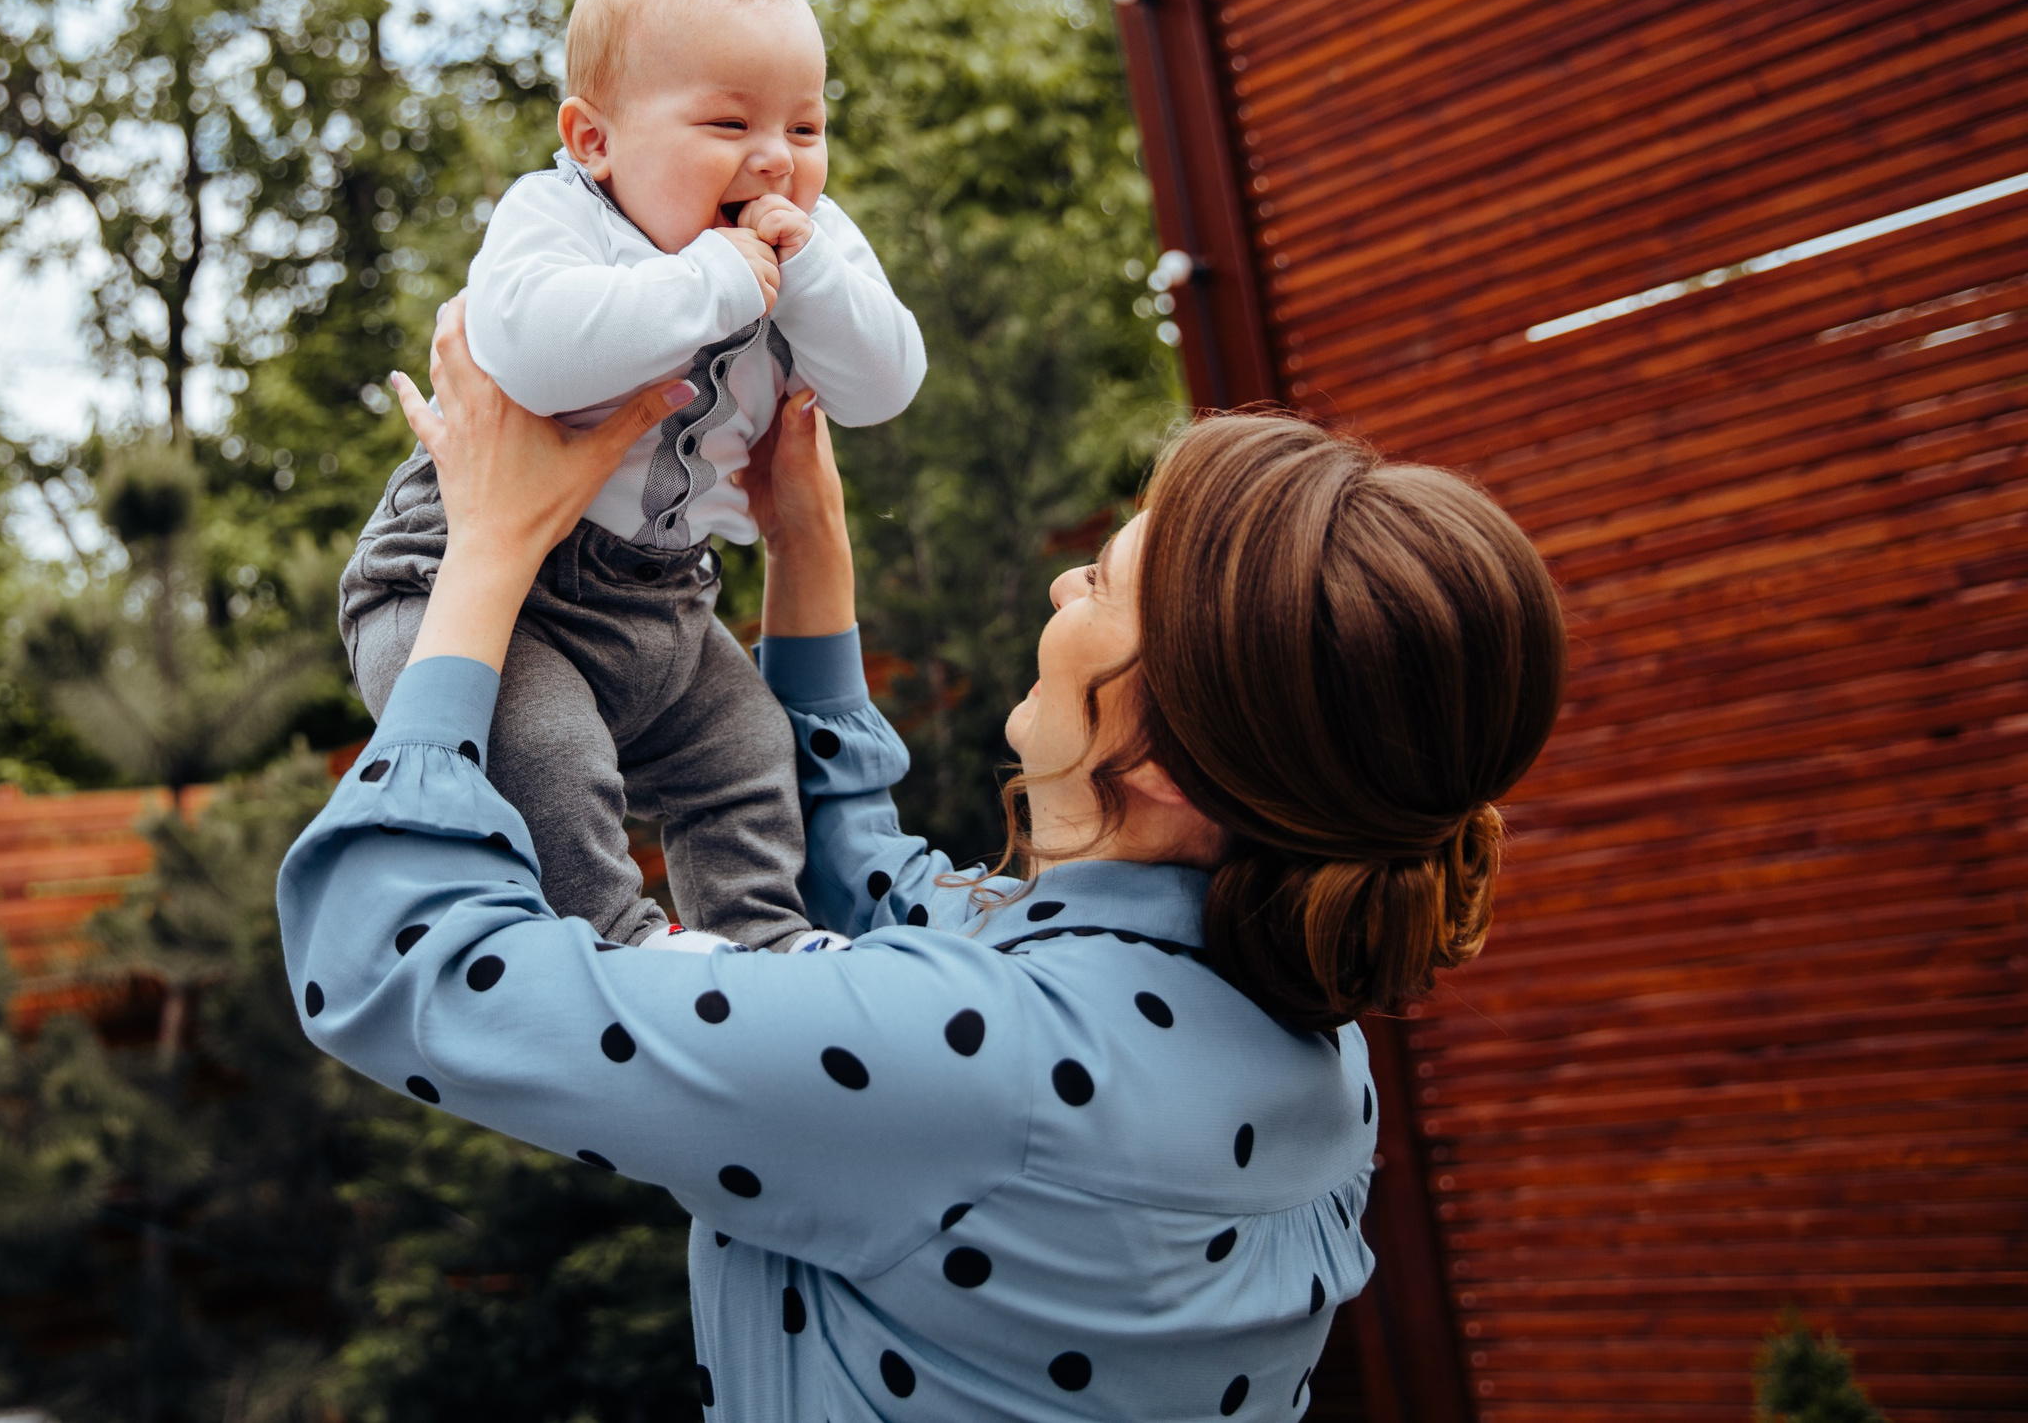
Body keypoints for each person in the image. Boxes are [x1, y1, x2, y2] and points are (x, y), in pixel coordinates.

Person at [279, 311, 1566, 1420]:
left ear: (1167, 763)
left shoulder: (981, 1069)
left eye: (1107, 584)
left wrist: (485, 558)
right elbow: (858, 886)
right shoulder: (1287, 1035)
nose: (1068, 584)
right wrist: (805, 552)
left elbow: (401, 967)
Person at [338, 0, 926, 954]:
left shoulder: (813, 240)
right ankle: (616, 939)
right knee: (545, 747)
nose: (775, 157)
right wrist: (719, 280)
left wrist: (809, 269)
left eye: (806, 124)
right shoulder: (558, 218)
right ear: (594, 140)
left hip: (660, 596)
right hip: (472, 591)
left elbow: (883, 386)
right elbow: (531, 354)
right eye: (728, 123)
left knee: (747, 748)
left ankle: (761, 938)